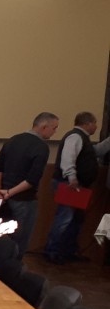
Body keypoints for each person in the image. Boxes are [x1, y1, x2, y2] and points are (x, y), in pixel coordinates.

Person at [44, 111, 110, 264]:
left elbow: (96, 152)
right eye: (95, 123)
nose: (96, 127)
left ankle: (68, 251)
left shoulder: (83, 139)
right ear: (88, 123)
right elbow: (68, 158)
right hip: (70, 184)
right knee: (65, 218)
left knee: (75, 219)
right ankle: (53, 251)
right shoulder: (75, 137)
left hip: (78, 185)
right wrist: (71, 177)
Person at [0, 111, 59, 259]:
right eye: (54, 128)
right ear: (44, 127)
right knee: (20, 241)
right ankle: (14, 268)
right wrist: (9, 193)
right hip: (24, 199)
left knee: (0, 235)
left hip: (0, 199)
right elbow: (32, 180)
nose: (55, 132)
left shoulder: (12, 140)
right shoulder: (41, 147)